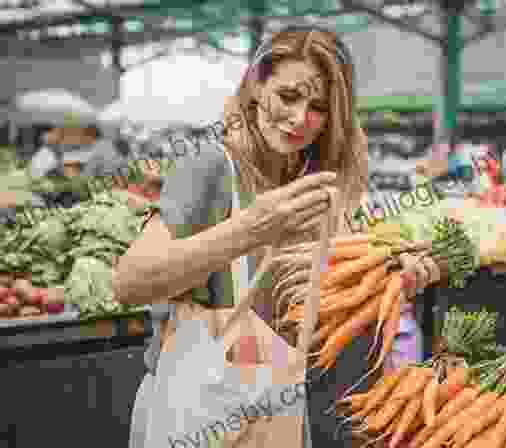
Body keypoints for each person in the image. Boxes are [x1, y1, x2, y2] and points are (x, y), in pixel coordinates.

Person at [112, 26, 369, 448]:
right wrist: (252, 228)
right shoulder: (210, 166)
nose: (299, 118)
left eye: (318, 107)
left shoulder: (314, 182)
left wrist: (388, 277)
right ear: (256, 85)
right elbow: (130, 281)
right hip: (199, 410)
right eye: (288, 96)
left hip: (276, 404)